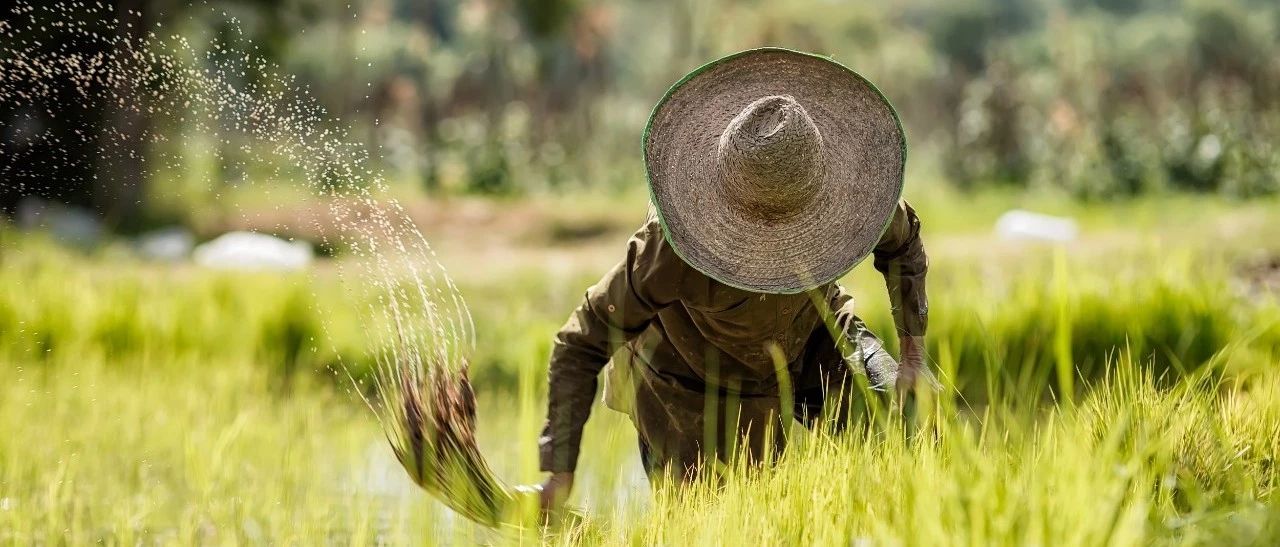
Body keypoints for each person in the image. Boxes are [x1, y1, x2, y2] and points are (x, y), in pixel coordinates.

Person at [535, 48, 936, 511]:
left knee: (914, 420)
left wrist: (913, 354)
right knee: (724, 519)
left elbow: (904, 243)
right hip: (690, 375)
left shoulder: (856, 198)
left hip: (811, 334)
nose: (779, 251)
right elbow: (581, 341)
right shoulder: (671, 249)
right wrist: (558, 473)